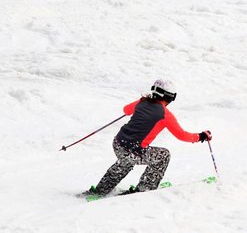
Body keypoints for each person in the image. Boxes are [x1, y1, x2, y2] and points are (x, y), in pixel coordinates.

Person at [82, 79, 212, 198]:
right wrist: (201, 136)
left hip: (118, 143)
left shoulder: (142, 102)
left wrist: (142, 102)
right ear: (170, 97)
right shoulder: (165, 114)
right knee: (163, 155)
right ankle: (145, 188)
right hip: (132, 151)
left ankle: (101, 189)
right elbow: (182, 136)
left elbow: (126, 110)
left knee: (126, 161)